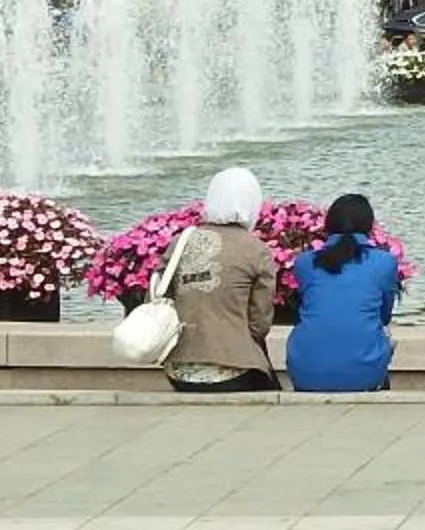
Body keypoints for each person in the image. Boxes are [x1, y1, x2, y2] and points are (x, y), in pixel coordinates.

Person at [156, 166, 280, 395]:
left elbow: (158, 295)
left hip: (177, 370)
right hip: (233, 370)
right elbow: (260, 323)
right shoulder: (256, 250)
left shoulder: (180, 243)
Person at [285, 193, 399, 392]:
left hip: (305, 371)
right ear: (369, 226)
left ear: (328, 225)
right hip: (364, 374)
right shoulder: (384, 262)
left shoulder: (304, 262)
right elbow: (384, 315)